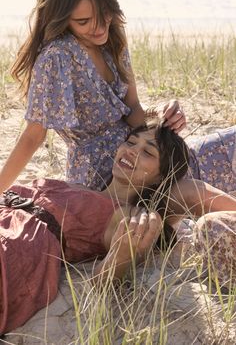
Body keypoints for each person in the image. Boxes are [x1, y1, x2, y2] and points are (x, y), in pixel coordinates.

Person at [0, 121, 236, 334]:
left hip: (18, 242)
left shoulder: (127, 215)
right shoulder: (79, 184)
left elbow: (102, 284)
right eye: (131, 142)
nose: (132, 150)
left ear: (159, 177)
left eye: (147, 152)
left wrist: (122, 255)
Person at [0, 0, 186, 195]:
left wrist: (161, 116)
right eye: (83, 21)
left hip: (145, 158)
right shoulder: (57, 58)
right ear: (61, 18)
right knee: (193, 191)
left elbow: (132, 108)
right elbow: (33, 137)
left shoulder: (114, 36)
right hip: (106, 174)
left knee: (223, 147)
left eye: (105, 13)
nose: (99, 27)